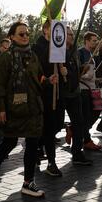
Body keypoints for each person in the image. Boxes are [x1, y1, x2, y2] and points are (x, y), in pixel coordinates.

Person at [0, 21, 54, 198]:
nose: (25, 37)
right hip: (13, 108)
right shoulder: (6, 57)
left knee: (32, 144)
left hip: (33, 107)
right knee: (10, 141)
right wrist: (0, 109)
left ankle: (28, 182)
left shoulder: (33, 55)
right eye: (21, 34)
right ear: (12, 37)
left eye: (27, 33)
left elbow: (38, 76)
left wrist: (48, 80)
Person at [32, 19, 64, 177]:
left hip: (56, 93)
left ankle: (40, 147)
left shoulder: (59, 45)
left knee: (55, 125)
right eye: (51, 29)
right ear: (45, 30)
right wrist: (46, 79)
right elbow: (35, 69)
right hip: (41, 94)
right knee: (47, 128)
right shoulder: (36, 47)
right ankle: (51, 161)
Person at [61, 25, 92, 166]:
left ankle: (77, 153)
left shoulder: (74, 52)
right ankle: (39, 148)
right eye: (69, 34)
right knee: (55, 125)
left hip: (75, 92)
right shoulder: (58, 52)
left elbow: (75, 71)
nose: (72, 37)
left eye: (73, 35)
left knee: (79, 123)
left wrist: (82, 68)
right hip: (62, 93)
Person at [78, 32, 102, 151]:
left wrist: (95, 78)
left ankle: (75, 129)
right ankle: (85, 139)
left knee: (95, 113)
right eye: (93, 40)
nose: (96, 42)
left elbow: (91, 73)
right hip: (84, 89)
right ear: (87, 41)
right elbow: (78, 72)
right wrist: (85, 75)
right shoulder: (81, 52)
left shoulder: (91, 54)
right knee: (87, 115)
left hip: (92, 87)